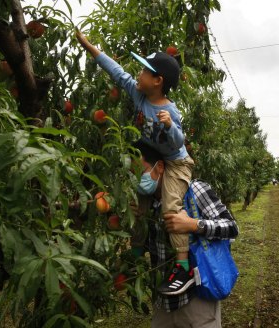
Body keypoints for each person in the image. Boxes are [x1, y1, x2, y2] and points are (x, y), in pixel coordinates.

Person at [76, 30, 195, 295]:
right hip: (154, 159)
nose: (137, 74)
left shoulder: (170, 110)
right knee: (136, 205)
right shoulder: (139, 94)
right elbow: (117, 72)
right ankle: (137, 251)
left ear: (158, 81)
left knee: (171, 208)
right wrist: (89, 46)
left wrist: (169, 126)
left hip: (176, 163)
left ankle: (183, 267)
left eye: (144, 71)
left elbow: (178, 143)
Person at [133, 141, 238, 328]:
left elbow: (231, 227)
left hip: (197, 299)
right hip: (163, 301)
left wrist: (193, 225)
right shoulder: (145, 204)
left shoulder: (194, 190)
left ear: (160, 167)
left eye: (141, 172)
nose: (137, 180)